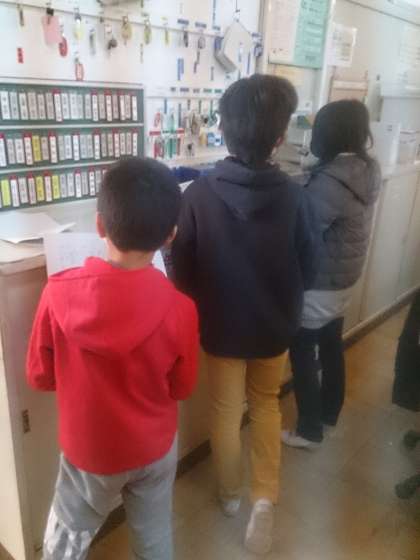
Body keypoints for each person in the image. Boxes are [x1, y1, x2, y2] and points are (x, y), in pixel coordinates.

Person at [171, 74, 316, 555]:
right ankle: (264, 498)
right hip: (275, 326)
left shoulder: (197, 195)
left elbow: (182, 271)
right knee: (267, 404)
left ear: (224, 130)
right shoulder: (296, 195)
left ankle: (230, 494)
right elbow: (311, 265)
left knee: (225, 410)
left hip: (221, 328)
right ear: (280, 136)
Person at [26, 157, 199, 560]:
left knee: (65, 543)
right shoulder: (182, 309)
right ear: (170, 236)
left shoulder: (56, 293)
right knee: (154, 538)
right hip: (154, 447)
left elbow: (38, 376)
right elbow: (183, 387)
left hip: (89, 454)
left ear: (100, 225)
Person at [282, 100, 382, 450]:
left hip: (321, 283)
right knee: (330, 342)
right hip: (344, 278)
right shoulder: (364, 169)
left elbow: (304, 233)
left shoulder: (330, 183)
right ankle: (329, 411)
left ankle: (309, 430)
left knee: (302, 349)